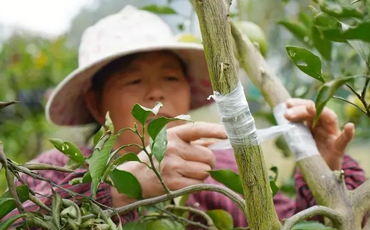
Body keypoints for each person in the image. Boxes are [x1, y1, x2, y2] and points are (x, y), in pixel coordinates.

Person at [5, 5, 366, 228]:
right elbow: (16, 221)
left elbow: (294, 225)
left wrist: (326, 171)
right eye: (134, 79)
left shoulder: (225, 177)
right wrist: (117, 190)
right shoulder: (56, 173)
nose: (157, 92)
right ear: (97, 104)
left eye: (171, 77)